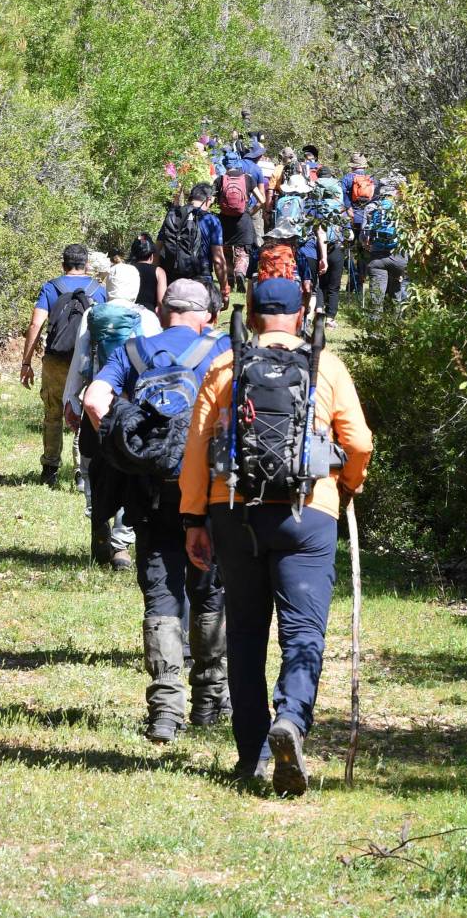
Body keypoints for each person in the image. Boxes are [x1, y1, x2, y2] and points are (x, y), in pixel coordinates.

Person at [180, 278, 373, 793]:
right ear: (301, 313)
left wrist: (194, 519)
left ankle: (253, 754)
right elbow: (358, 441)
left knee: (244, 633)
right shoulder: (323, 365)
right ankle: (290, 719)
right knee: (303, 631)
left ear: (254, 316)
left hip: (234, 510)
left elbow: (197, 449)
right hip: (308, 512)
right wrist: (345, 488)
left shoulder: (226, 366)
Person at [83, 281, 232, 743]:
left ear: (163, 312)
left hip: (150, 493)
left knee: (161, 595)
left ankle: (166, 710)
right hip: (205, 494)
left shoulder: (134, 349)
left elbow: (93, 399)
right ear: (205, 316)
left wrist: (126, 449)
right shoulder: (223, 349)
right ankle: (210, 699)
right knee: (209, 592)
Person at [64, 263, 160, 570]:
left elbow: (81, 360)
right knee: (131, 471)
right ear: (133, 288)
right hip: (132, 408)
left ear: (108, 285)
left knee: (93, 466)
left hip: (98, 401)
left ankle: (98, 524)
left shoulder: (93, 315)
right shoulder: (147, 318)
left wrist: (71, 399)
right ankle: (121, 546)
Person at [20, 245, 106, 484]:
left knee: (53, 412)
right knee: (84, 412)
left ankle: (50, 468)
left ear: (63, 264)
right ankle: (81, 471)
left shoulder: (51, 287)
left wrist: (26, 362)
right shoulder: (98, 290)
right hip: (86, 360)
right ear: (86, 265)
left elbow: (36, 325)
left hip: (56, 359)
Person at [158, 182, 229, 315]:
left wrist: (158, 281)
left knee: (174, 319)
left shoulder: (173, 215)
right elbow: (218, 259)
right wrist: (225, 290)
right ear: (208, 199)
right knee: (200, 322)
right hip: (201, 279)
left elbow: (157, 250)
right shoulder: (212, 221)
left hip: (173, 278)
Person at [215, 155, 264, 294]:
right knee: (242, 252)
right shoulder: (248, 179)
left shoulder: (220, 180)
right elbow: (262, 200)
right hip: (243, 220)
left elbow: (210, 201)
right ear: (238, 163)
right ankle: (240, 272)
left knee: (227, 252)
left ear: (225, 164)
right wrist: (251, 211)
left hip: (224, 220)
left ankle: (230, 279)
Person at [312, 168, 351, 326]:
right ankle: (330, 318)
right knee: (334, 286)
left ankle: (319, 311)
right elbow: (351, 235)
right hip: (337, 248)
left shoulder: (317, 210)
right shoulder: (341, 211)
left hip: (319, 248)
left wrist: (323, 257)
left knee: (320, 283)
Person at [360, 179, 407, 309]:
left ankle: (375, 327)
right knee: (396, 294)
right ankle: (394, 324)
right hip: (399, 257)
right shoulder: (403, 208)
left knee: (376, 297)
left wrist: (369, 246)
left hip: (377, 258)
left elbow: (364, 237)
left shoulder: (371, 207)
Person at [128, 233, 166, 315]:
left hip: (129, 315)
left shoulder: (127, 269)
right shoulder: (159, 272)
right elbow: (161, 302)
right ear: (152, 256)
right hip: (150, 316)